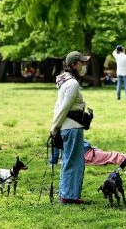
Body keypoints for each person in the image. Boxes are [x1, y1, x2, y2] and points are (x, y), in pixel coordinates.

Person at [50, 50, 91, 205]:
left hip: (68, 127)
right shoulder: (72, 83)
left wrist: (55, 127)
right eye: (82, 62)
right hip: (72, 128)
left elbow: (58, 106)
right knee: (74, 163)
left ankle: (66, 194)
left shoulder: (66, 82)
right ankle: (70, 196)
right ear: (74, 64)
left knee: (68, 161)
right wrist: (54, 129)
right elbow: (64, 108)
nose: (84, 65)